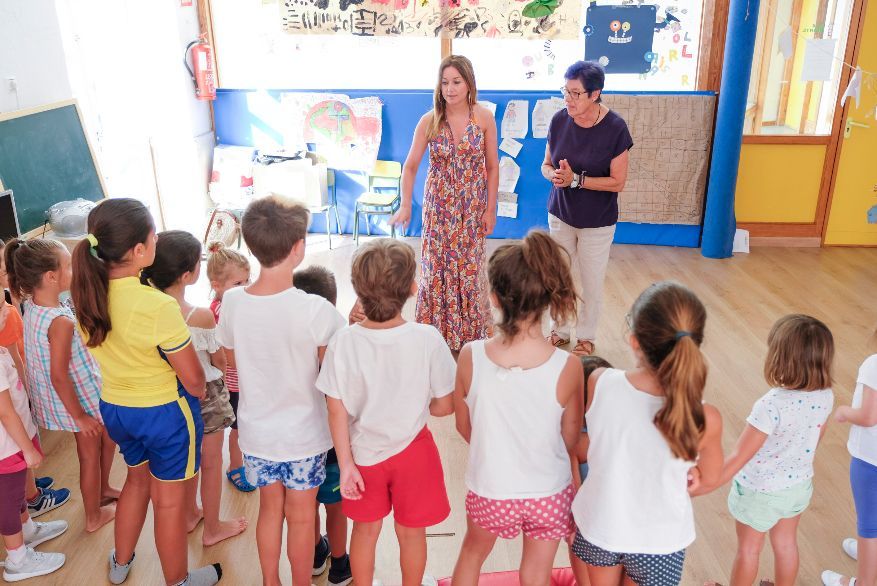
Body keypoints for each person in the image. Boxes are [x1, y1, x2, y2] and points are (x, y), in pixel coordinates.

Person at [71, 198, 220, 586]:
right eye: (153, 237)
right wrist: (201, 390)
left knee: (137, 482)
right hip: (165, 414)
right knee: (169, 503)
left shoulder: (87, 293)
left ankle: (120, 563)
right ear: (139, 251)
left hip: (116, 410)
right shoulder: (156, 304)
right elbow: (193, 380)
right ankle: (178, 580)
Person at [215, 196, 345, 586]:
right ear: (299, 247)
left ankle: (271, 581)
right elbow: (333, 373)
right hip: (304, 437)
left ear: (250, 246)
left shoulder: (233, 301)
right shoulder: (317, 311)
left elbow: (231, 361)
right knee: (303, 517)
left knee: (270, 511)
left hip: (256, 435)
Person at [316, 238, 456, 586]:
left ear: (357, 288)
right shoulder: (428, 338)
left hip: (363, 457)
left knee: (364, 532)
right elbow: (444, 406)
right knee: (412, 534)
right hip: (415, 453)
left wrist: (346, 464)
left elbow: (336, 410)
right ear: (412, 287)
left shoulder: (343, 341)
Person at [451, 231, 584, 586]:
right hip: (548, 492)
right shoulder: (568, 367)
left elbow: (463, 426)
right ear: (546, 299)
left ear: (493, 297)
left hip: (491, 488)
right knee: (536, 573)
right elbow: (569, 439)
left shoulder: (470, 355)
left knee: (471, 554)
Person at [570, 281, 723, 585]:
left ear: (634, 341)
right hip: (660, 541)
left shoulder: (600, 381)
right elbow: (710, 479)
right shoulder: (706, 417)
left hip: (601, 525)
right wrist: (691, 474)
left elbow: (595, 440)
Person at [697, 315, 834, 586]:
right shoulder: (827, 394)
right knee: (786, 544)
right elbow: (816, 438)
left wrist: (706, 483)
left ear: (780, 358)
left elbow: (738, 456)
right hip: (798, 485)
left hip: (760, 491)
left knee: (749, 549)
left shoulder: (771, 405)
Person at [5, 238, 120, 533]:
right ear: (51, 277)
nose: (73, 270)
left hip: (78, 392)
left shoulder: (35, 305)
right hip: (76, 399)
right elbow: (59, 375)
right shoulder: (59, 321)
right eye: (68, 265)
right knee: (88, 454)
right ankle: (93, 516)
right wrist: (80, 417)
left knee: (108, 438)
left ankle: (104, 489)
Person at [141, 230, 247, 547]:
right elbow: (219, 359)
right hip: (205, 393)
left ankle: (189, 514)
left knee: (187, 458)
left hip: (167, 394)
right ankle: (213, 527)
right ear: (188, 275)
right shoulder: (198, 315)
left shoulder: (145, 308)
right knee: (211, 462)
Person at [391, 54, 499, 354]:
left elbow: (492, 167)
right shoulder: (429, 120)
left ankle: (470, 334)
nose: (449, 88)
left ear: (468, 84)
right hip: (439, 208)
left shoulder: (484, 117)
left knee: (469, 268)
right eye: (444, 82)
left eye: (456, 81)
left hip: (472, 208)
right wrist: (406, 205)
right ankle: (435, 335)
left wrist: (491, 209)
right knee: (436, 268)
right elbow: (410, 166)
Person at [542, 60, 633, 357]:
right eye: (565, 91)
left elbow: (617, 182)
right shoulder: (558, 120)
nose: (568, 99)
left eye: (575, 93)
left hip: (597, 221)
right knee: (558, 277)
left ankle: (586, 336)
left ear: (595, 94)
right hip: (560, 214)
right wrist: (554, 176)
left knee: (592, 282)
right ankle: (559, 329)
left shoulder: (615, 128)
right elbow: (546, 165)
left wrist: (576, 180)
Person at [0, 240, 71, 520]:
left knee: (24, 442)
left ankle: (28, 490)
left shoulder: (10, 305)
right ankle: (31, 497)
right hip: (9, 393)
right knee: (18, 449)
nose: (8, 269)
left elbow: (17, 351)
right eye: (3, 266)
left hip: (15, 387)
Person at [293, 264, 352, 586]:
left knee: (308, 503)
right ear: (330, 304)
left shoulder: (285, 337)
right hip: (330, 439)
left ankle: (317, 553)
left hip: (298, 440)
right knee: (336, 505)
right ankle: (340, 564)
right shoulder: (337, 337)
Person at [0, 345, 68, 582]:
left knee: (17, 493)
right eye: (0, 307)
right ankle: (17, 560)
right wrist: (28, 449)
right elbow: (5, 412)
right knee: (7, 502)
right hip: (6, 447)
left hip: (13, 442)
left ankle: (27, 530)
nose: (8, 310)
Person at [823, 339, 877, 586]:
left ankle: (862, 582)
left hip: (870, 461)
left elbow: (868, 416)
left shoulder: (874, 364)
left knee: (869, 524)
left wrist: (845, 412)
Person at [205, 242, 253, 493]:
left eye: (247, 281)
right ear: (217, 285)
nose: (245, 288)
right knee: (238, 429)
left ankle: (244, 462)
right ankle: (236, 467)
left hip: (241, 378)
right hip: (234, 381)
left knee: (243, 427)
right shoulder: (221, 311)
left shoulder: (233, 305)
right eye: (238, 284)